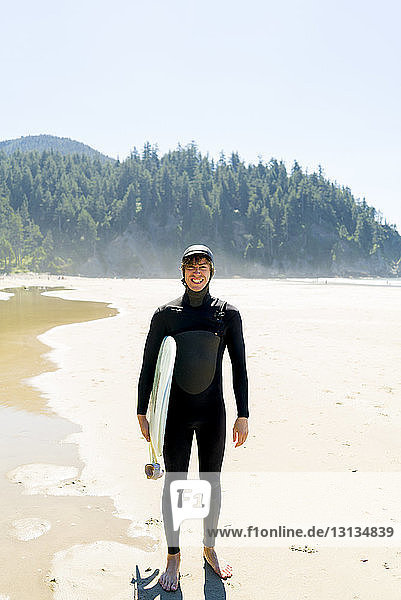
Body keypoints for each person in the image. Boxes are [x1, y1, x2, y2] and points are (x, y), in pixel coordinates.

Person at [137, 244, 249, 592]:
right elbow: (150, 366)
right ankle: (173, 555)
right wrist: (143, 410)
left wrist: (243, 413)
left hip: (213, 411)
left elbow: (239, 367)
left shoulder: (227, 315)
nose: (196, 272)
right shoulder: (166, 314)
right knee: (175, 484)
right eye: (190, 266)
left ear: (211, 271)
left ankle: (209, 548)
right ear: (182, 271)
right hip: (175, 416)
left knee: (211, 484)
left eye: (203, 266)